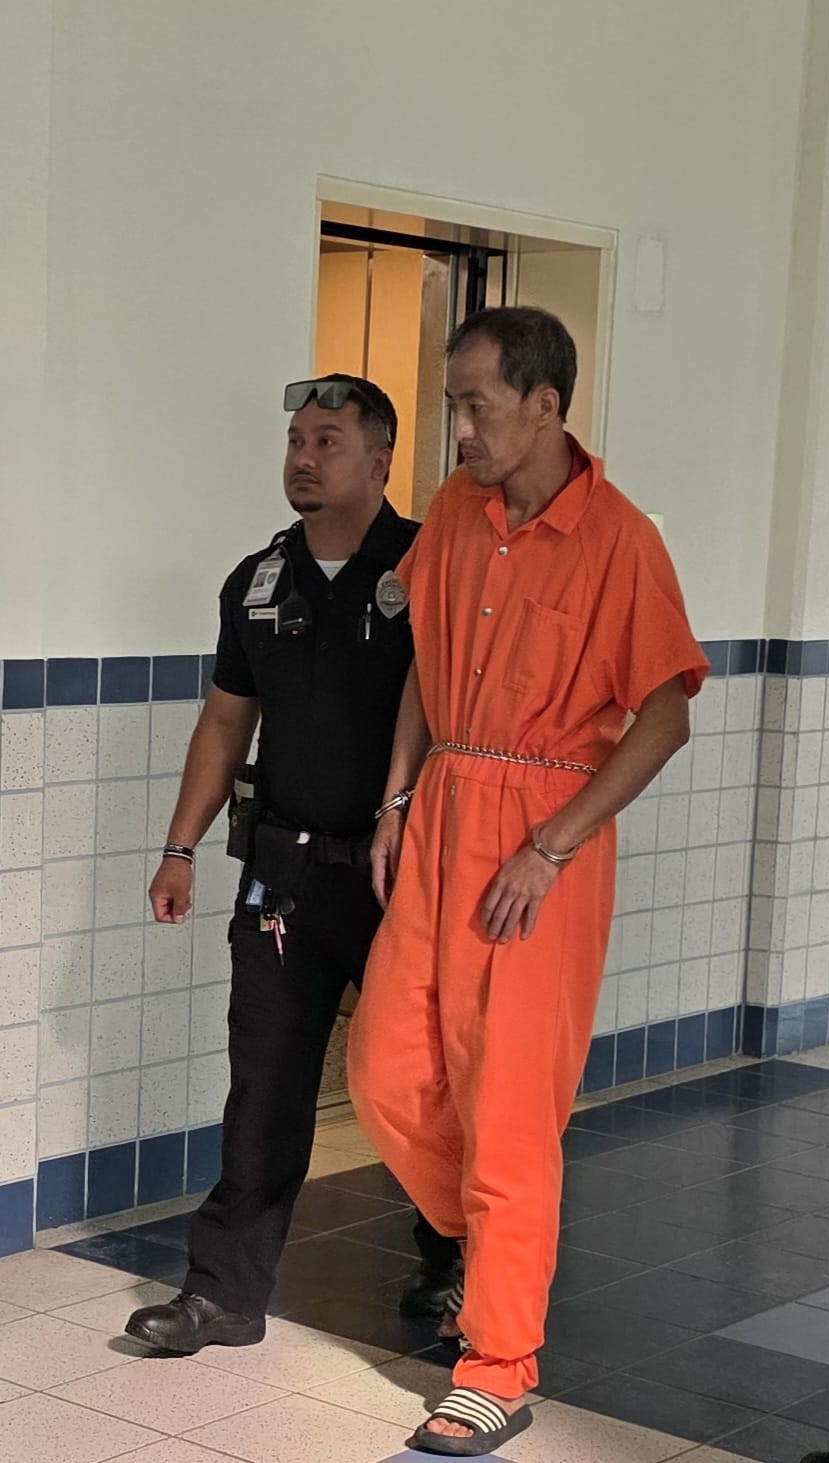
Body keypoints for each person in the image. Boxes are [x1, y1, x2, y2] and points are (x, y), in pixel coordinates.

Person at [348, 308, 709, 1456]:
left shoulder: (620, 538)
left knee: (509, 1103)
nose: (456, 428)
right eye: (452, 403)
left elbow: (665, 714)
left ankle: (497, 1362)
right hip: (445, 805)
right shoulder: (455, 514)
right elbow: (418, 662)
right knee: (387, 1066)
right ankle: (502, 1238)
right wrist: (398, 796)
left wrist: (552, 843)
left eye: (474, 405)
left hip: (542, 837)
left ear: (545, 403)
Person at [125, 374, 460, 1355]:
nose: (305, 458)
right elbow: (227, 719)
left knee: (415, 1077)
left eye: (329, 440)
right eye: (296, 441)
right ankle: (221, 1290)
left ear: (382, 458)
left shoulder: (431, 565)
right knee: (264, 1076)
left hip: (401, 875)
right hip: (282, 877)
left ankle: (451, 1257)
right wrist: (179, 845)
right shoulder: (258, 581)